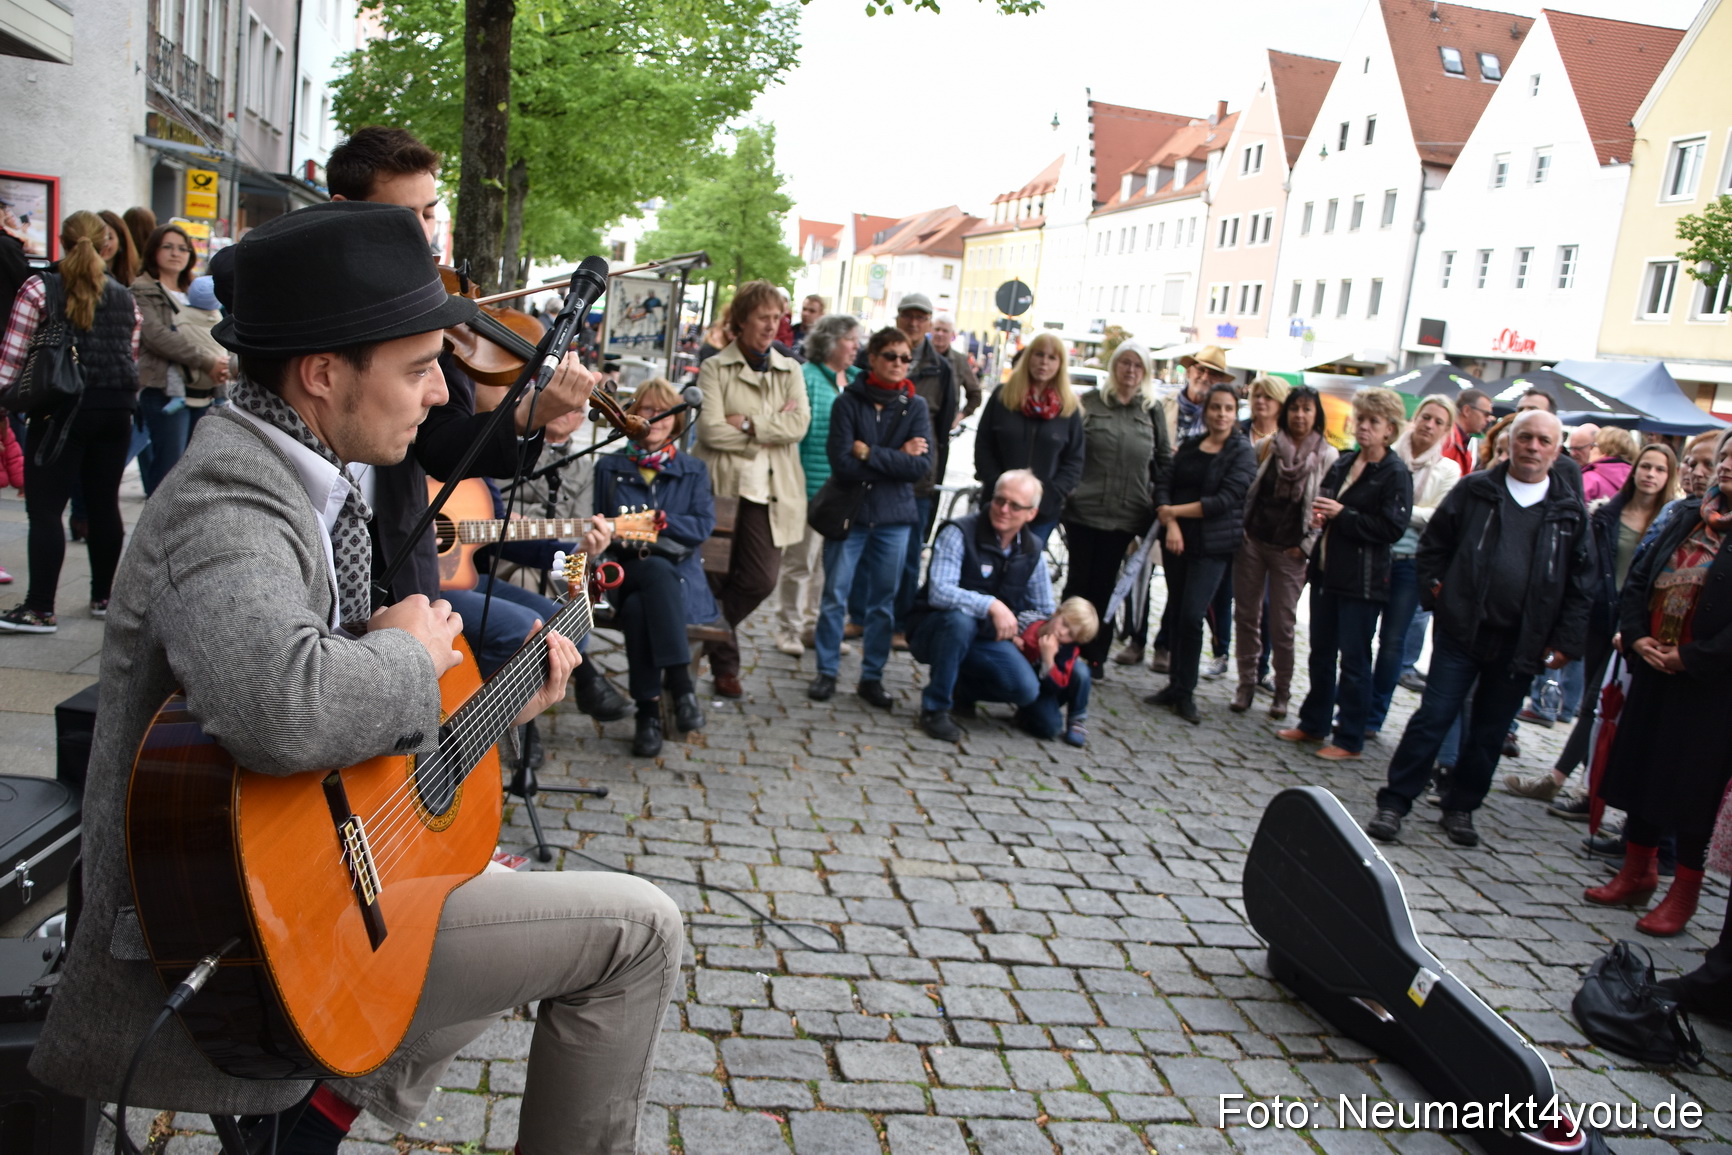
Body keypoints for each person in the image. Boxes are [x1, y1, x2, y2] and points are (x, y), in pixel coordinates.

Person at [27, 202, 684, 1155]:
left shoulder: (305, 468)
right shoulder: (229, 497)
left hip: (308, 890)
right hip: (245, 940)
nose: (436, 398)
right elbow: (282, 707)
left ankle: (330, 1095)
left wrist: (487, 705)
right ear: (324, 374)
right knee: (641, 932)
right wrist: (413, 656)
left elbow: (344, 756)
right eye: (419, 369)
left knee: (476, 869)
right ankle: (329, 1090)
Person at [323, 125, 628, 722]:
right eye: (401, 215)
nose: (423, 235)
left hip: (398, 553)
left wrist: (525, 416)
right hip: (316, 552)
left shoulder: (437, 309)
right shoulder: (309, 309)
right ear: (345, 212)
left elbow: (444, 446)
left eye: (429, 214)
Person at [1365, 410, 1590, 847]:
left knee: (1490, 731)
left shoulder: (1569, 512)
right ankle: (1394, 802)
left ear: (1558, 449)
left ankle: (1462, 807)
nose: (1533, 447)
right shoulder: (1476, 489)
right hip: (1462, 631)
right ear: (1509, 441)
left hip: (1522, 641)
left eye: (1544, 441)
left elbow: (1581, 583)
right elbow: (1435, 546)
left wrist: (1566, 641)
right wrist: (1438, 593)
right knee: (1433, 717)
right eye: (1525, 437)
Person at [1583, 433, 1732, 936]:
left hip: (1711, 687)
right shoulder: (1687, 515)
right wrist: (1640, 636)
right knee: (1640, 769)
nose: (1728, 465)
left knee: (1692, 790)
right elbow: (1641, 578)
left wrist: (1691, 656)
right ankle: (1635, 871)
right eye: (1727, 456)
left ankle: (1682, 893)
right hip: (1653, 666)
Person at [1504, 443, 1677, 803]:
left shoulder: (1670, 522)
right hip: (1598, 617)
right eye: (1645, 466)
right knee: (1590, 701)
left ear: (1668, 477)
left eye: (1659, 470)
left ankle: (1564, 780)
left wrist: (1633, 625)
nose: (1650, 474)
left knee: (1599, 702)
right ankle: (1586, 783)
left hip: (1632, 626)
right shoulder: (1606, 515)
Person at [0, 211, 143, 633]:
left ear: (62, 241)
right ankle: (104, 597)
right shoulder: (123, 295)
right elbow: (129, 355)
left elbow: (11, 359)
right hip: (117, 408)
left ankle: (40, 608)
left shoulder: (40, 287)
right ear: (105, 245)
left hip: (62, 407)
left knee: (45, 507)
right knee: (104, 505)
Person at [1278, 388, 1413, 758]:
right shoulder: (1344, 462)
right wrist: (1320, 516)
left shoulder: (1394, 472)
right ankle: (1314, 723)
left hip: (1363, 579)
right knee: (1320, 651)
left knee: (1354, 659)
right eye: (1361, 419)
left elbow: (1392, 528)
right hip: (1326, 569)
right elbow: (1325, 501)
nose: (1364, 427)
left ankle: (1349, 737)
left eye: (1373, 422)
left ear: (1390, 429)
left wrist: (1344, 515)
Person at [692, 279, 810, 698]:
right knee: (715, 576)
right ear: (741, 320)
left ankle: (702, 634)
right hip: (722, 486)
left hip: (771, 491)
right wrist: (769, 426)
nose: (771, 326)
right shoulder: (713, 367)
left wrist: (747, 422)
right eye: (763, 317)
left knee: (760, 579)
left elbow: (799, 426)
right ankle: (726, 668)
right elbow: (709, 430)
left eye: (777, 318)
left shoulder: (790, 367)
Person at [809, 327, 932, 707]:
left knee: (883, 602)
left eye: (904, 358)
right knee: (834, 596)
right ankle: (826, 672)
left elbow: (921, 467)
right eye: (891, 356)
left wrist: (870, 453)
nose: (898, 364)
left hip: (894, 519)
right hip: (851, 515)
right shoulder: (848, 402)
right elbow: (842, 464)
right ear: (873, 358)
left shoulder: (916, 407)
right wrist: (897, 454)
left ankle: (871, 677)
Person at [593, 379, 716, 756]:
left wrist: (663, 520)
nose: (657, 419)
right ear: (633, 416)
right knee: (648, 579)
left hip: (676, 575)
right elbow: (600, 525)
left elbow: (701, 527)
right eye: (648, 410)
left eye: (666, 412)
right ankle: (681, 688)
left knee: (640, 605)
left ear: (678, 420)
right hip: (623, 571)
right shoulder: (610, 466)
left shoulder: (693, 469)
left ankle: (647, 714)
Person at [907, 469, 1056, 743]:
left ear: (1031, 514)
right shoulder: (959, 531)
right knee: (959, 621)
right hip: (934, 630)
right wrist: (992, 606)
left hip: (988, 638)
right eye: (1000, 500)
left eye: (1015, 506)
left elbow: (1045, 609)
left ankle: (965, 689)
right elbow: (940, 591)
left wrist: (1023, 631)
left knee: (1025, 690)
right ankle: (935, 707)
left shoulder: (1033, 549)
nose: (1004, 509)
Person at [1144, 382, 1256, 724]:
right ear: (1206, 412)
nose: (1221, 414)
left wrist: (1174, 513)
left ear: (1235, 413)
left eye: (1227, 408)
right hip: (1177, 540)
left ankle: (1187, 691)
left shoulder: (1241, 452)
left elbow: (1224, 500)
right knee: (1177, 612)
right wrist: (1171, 521)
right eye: (1215, 407)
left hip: (1213, 546)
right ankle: (1175, 685)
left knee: (1193, 614)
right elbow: (1164, 481)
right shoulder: (1192, 446)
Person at [1061, 340, 1170, 677]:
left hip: (1126, 515)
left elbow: (1163, 460)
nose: (1131, 371)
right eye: (1125, 363)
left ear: (1146, 372)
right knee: (1078, 581)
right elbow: (1070, 450)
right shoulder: (1091, 403)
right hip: (1084, 509)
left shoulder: (1152, 410)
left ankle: (1095, 656)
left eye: (1138, 366)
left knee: (1106, 585)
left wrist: (1162, 504)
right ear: (1114, 367)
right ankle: (1064, 647)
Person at [1232, 385, 1337, 718]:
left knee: (1282, 624)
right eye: (1295, 408)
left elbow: (1324, 510)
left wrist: (1305, 545)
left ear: (1316, 414)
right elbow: (1249, 490)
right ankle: (1246, 683)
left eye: (1307, 409)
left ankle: (1282, 691)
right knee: (1247, 616)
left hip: (1292, 550)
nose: (1300, 415)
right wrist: (1244, 531)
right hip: (1255, 541)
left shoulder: (1327, 455)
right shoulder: (1267, 446)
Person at [1365, 396, 1462, 735]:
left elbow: (1439, 519)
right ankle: (1351, 704)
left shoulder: (1448, 470)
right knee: (1360, 637)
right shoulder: (1386, 455)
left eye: (1438, 421)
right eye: (1425, 417)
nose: (1429, 425)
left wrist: (1397, 511)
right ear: (1413, 418)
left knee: (1393, 642)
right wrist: (1406, 514)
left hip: (1410, 565)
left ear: (1446, 431)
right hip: (1373, 556)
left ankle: (1373, 717)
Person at [774, 312, 860, 657]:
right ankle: (788, 628)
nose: (856, 347)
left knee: (827, 567)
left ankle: (814, 627)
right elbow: (791, 430)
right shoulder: (806, 377)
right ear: (830, 341)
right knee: (800, 563)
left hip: (844, 491)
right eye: (850, 339)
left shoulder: (855, 381)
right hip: (807, 487)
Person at [133, 223, 231, 495]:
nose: (176, 253)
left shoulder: (197, 289)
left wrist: (221, 362)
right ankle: (158, 533)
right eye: (168, 247)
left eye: (182, 248)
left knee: (194, 467)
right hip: (166, 388)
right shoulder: (143, 289)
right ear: (153, 251)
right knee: (168, 468)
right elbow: (156, 336)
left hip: (204, 389)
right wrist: (206, 360)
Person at [883, 293, 956, 645]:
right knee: (871, 553)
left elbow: (941, 433)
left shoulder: (941, 369)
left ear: (928, 322)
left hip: (918, 481)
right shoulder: (881, 354)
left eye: (921, 317)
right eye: (908, 316)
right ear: (898, 318)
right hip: (879, 474)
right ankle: (864, 617)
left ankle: (899, 624)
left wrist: (931, 473)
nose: (914, 323)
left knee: (911, 556)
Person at [974, 330, 1084, 544]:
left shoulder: (1068, 408)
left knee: (1025, 568)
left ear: (1060, 364)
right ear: (1028, 357)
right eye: (1039, 354)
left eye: (1052, 357)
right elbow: (983, 445)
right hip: (999, 506)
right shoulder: (1002, 396)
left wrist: (1050, 495)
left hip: (1041, 510)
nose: (1044, 362)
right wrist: (997, 484)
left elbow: (1074, 460)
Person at [1014, 596, 1097, 747]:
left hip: (1044, 690)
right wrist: (1012, 638)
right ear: (1056, 613)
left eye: (1070, 635)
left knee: (1081, 671)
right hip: (1019, 681)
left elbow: (1058, 686)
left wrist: (1049, 660)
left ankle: (1077, 720)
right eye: (1064, 624)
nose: (1062, 633)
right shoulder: (1027, 620)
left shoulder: (1066, 650)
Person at [932, 314, 982, 420]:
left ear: (952, 335)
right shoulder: (919, 355)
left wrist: (960, 416)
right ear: (931, 331)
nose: (940, 333)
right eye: (937, 329)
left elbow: (975, 394)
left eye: (945, 331)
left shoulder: (960, 361)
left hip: (942, 425)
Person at [1443, 387, 1493, 473]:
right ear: (1466, 410)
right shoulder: (1447, 438)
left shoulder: (1461, 442)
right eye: (1486, 414)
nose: (1488, 419)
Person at [1581, 425, 1636, 502]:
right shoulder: (1636, 480)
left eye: (1594, 445)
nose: (1591, 450)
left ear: (1604, 451)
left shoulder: (1590, 479)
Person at [98, 209, 139, 286]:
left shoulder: (133, 280)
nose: (104, 244)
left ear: (121, 241)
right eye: (99, 237)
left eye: (110, 237)